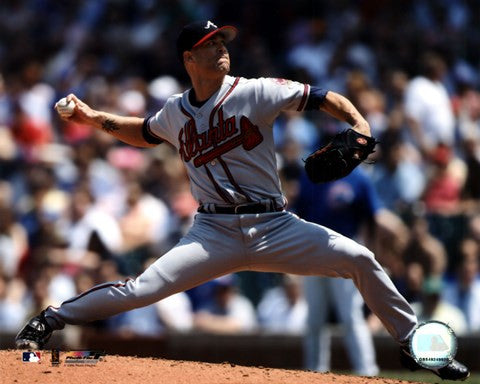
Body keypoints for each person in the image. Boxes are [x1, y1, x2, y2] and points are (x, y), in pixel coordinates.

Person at [15, 20, 469, 381]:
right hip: (212, 233)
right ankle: (50, 319)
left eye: (223, 41)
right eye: (211, 44)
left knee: (360, 257)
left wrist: (361, 125)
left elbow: (322, 97)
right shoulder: (175, 111)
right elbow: (145, 132)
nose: (222, 48)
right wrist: (93, 118)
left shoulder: (254, 89)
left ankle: (416, 345)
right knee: (143, 290)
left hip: (275, 225)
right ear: (190, 58)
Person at [295, 167, 380, 376]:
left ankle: (366, 372)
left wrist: (370, 254)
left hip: (346, 250)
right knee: (314, 317)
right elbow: (299, 213)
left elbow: (372, 218)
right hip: (313, 249)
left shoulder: (358, 177)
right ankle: (315, 373)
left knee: (350, 315)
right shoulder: (309, 174)